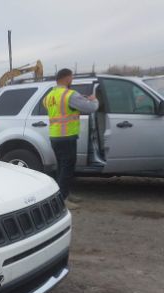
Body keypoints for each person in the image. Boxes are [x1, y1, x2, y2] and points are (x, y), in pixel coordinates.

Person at [43, 68, 98, 208]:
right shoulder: (69, 94)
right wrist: (94, 99)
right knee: (67, 168)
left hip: (55, 136)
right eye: (71, 78)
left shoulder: (50, 95)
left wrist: (78, 102)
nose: (71, 80)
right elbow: (91, 108)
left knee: (62, 168)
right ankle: (61, 200)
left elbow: (58, 110)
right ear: (67, 78)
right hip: (66, 136)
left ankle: (64, 193)